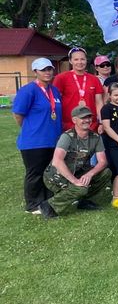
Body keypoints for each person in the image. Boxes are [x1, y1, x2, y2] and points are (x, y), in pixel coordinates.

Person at [39, 106, 112, 220]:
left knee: (106, 173)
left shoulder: (95, 137)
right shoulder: (67, 137)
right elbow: (57, 161)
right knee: (81, 188)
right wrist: (75, 181)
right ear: (74, 120)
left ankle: (82, 201)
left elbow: (103, 162)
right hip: (56, 176)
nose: (87, 120)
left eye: (89, 117)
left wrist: (89, 174)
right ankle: (49, 206)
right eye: (83, 118)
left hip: (78, 171)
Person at [12, 58, 63, 214]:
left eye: (49, 69)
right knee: (35, 173)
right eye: (43, 70)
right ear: (35, 72)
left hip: (52, 139)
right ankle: (33, 204)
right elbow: (18, 114)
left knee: (49, 172)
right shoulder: (28, 90)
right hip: (34, 141)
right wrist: (30, 129)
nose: (47, 72)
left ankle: (47, 200)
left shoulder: (54, 90)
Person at [53, 47, 104, 131]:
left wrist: (101, 122)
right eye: (76, 59)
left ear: (86, 60)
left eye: (82, 59)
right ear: (70, 61)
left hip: (91, 126)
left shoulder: (94, 79)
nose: (80, 62)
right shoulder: (61, 78)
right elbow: (55, 102)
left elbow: (99, 103)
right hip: (69, 126)